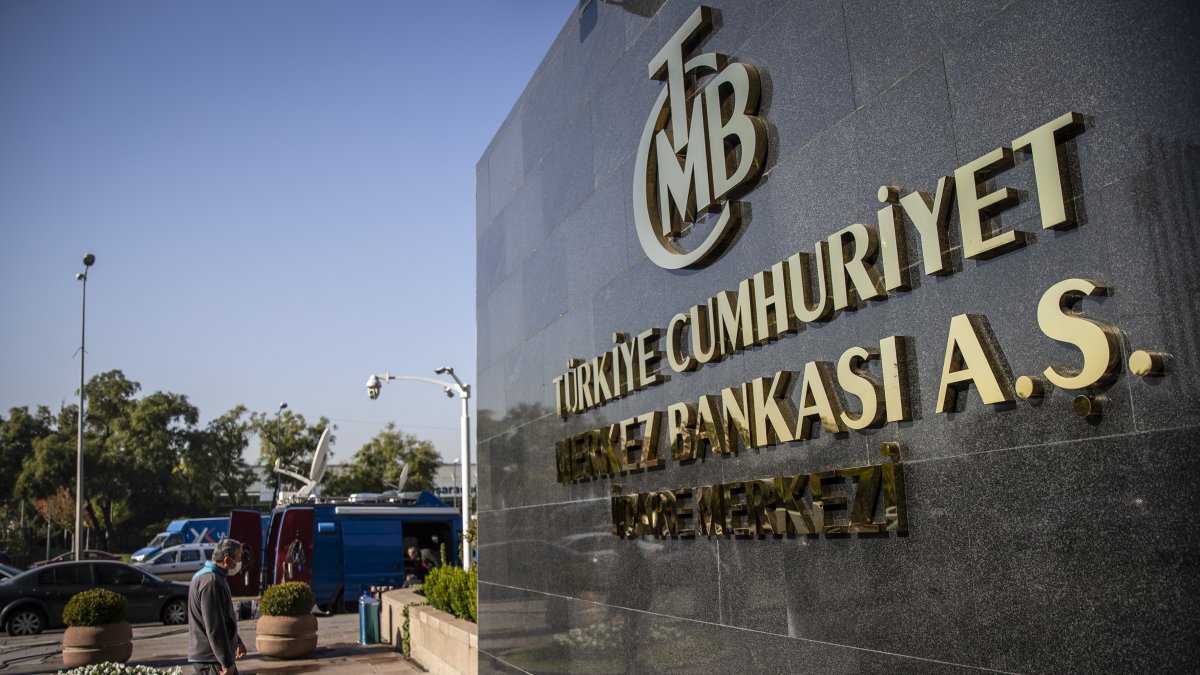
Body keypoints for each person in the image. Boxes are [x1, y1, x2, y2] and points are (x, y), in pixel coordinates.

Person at [188, 538, 247, 675]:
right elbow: (215, 627)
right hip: (212, 660)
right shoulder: (211, 582)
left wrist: (236, 641)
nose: (239, 564)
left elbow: (225, 618)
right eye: (238, 560)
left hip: (214, 657)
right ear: (226, 560)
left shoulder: (213, 577)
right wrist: (227, 662)